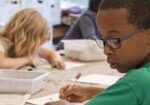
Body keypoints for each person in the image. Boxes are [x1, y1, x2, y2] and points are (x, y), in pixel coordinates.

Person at [59, 0, 150, 104]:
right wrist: (92, 91)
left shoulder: (138, 82)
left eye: (114, 40)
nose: (105, 50)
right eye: (102, 39)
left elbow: (134, 89)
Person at [0, 8, 65, 69]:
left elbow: (51, 54)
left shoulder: (25, 47)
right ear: (25, 39)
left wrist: (56, 60)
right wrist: (27, 59)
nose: (36, 48)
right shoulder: (2, 43)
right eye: (37, 44)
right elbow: (2, 64)